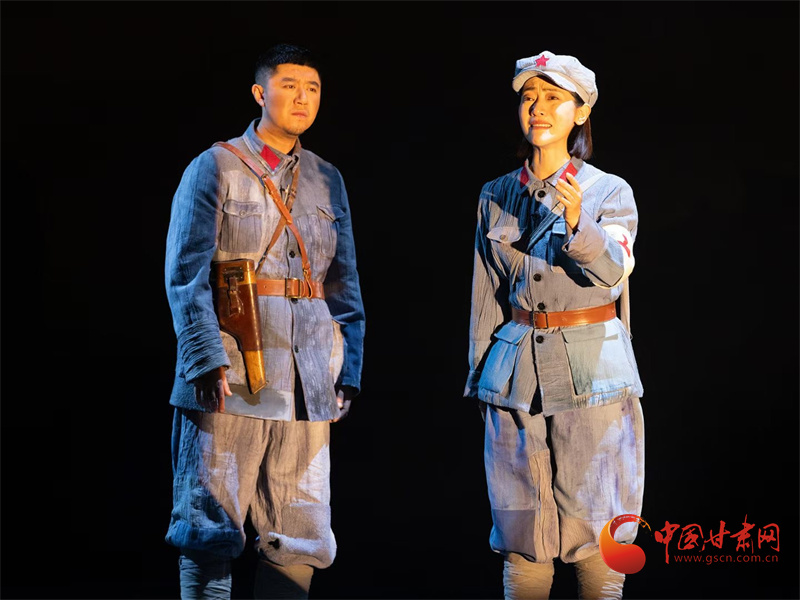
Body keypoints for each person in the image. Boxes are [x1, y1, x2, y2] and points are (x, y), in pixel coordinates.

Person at [163, 43, 365, 599]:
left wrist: (348, 369)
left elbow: (343, 282)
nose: (302, 98)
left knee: (301, 527)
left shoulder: (328, 178)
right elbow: (184, 275)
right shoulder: (216, 165)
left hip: (308, 377)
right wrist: (204, 358)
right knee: (210, 523)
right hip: (231, 369)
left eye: (313, 88)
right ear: (260, 92)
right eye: (289, 85)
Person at [464, 51, 645, 600]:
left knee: (599, 523)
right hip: (516, 376)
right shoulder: (496, 193)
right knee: (521, 525)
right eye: (529, 97)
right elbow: (485, 297)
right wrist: (481, 381)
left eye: (553, 98)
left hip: (593, 373)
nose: (538, 108)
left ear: (580, 112)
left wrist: (577, 221)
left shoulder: (609, 191)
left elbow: (613, 271)